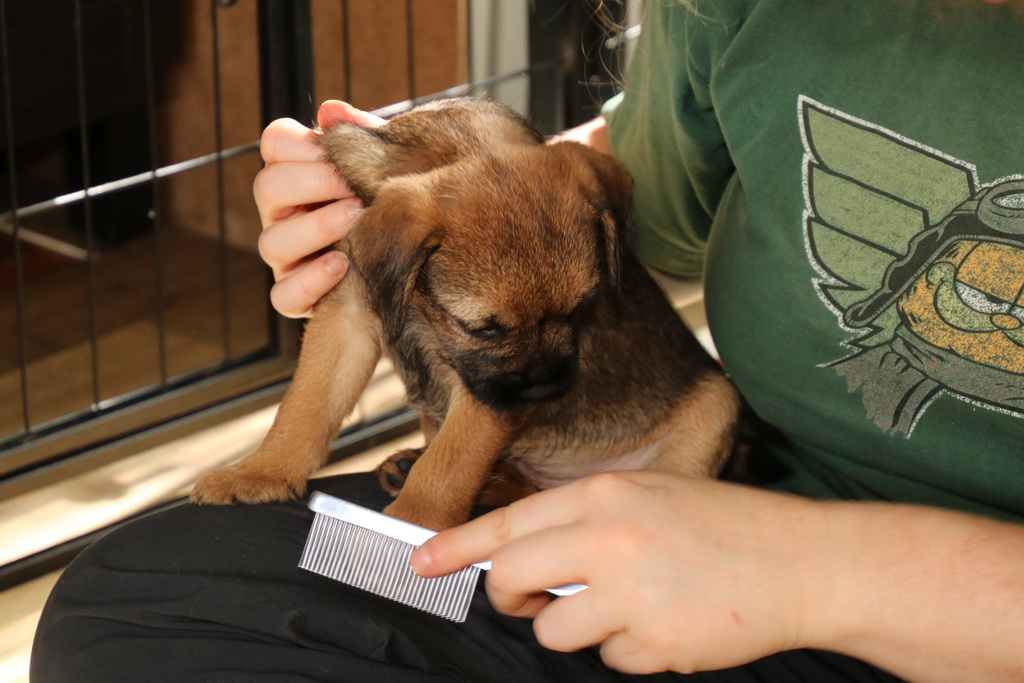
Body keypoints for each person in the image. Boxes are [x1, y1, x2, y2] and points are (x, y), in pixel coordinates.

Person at [31, 0, 1024, 680]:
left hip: (934, 616)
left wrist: (814, 574)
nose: (544, 365)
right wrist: (422, 189)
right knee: (141, 597)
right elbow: (629, 182)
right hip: (696, 526)